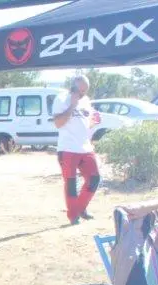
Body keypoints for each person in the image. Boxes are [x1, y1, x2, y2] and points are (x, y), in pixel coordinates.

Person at [52, 75, 102, 225]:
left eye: (85, 92)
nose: (82, 95)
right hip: (67, 148)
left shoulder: (86, 101)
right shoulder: (61, 99)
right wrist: (72, 105)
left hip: (85, 147)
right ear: (72, 86)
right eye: (80, 91)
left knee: (94, 179)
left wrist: (93, 122)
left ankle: (80, 208)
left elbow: (85, 125)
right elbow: (58, 123)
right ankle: (73, 216)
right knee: (71, 183)